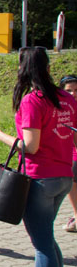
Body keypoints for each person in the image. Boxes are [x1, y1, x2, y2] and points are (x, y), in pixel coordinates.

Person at [0, 46, 76, 267]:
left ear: (22, 69)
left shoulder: (33, 100)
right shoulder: (67, 98)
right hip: (63, 175)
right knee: (46, 236)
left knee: (41, 244)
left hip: (40, 178)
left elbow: (31, 146)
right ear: (47, 67)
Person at [59, 75, 77, 233]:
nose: (73, 94)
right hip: (68, 152)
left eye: (76, 90)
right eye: (69, 90)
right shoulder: (60, 108)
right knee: (72, 183)